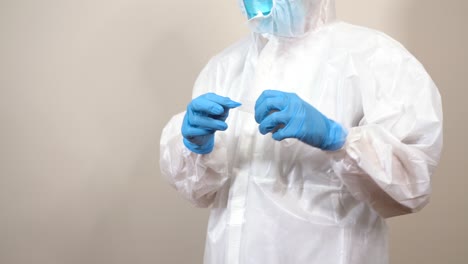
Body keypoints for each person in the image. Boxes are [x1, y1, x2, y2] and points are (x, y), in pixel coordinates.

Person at [159, 0, 443, 263]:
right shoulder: (224, 67)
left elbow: (411, 184)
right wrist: (196, 147)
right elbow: (198, 192)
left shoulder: (375, 56)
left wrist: (338, 139)